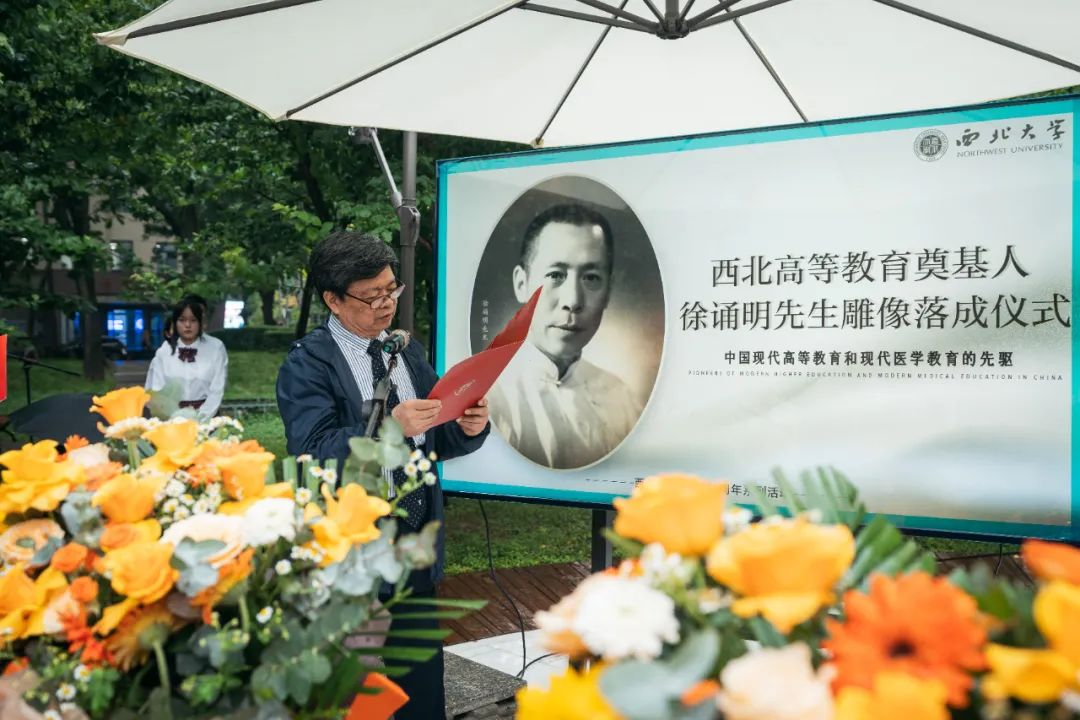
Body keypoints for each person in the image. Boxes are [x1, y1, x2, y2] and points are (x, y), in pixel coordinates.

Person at [276, 230, 490, 720]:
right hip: (351, 551)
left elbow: (436, 438)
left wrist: (469, 425)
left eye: (392, 289)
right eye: (371, 296)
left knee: (421, 687)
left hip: (414, 542)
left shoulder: (406, 351)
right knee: (352, 690)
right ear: (333, 300)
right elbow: (314, 455)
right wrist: (390, 428)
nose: (386, 304)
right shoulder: (308, 364)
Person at [489, 203, 643, 469]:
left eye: (591, 278)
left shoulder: (623, 400)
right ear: (522, 284)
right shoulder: (488, 397)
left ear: (608, 291)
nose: (572, 301)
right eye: (555, 275)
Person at [145, 296, 228, 419]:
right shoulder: (163, 352)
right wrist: (174, 419)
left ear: (200, 322)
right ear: (175, 322)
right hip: (171, 420)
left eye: (193, 320)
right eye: (182, 320)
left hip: (208, 419)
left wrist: (201, 418)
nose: (188, 325)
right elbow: (156, 390)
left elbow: (217, 389)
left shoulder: (215, 348)